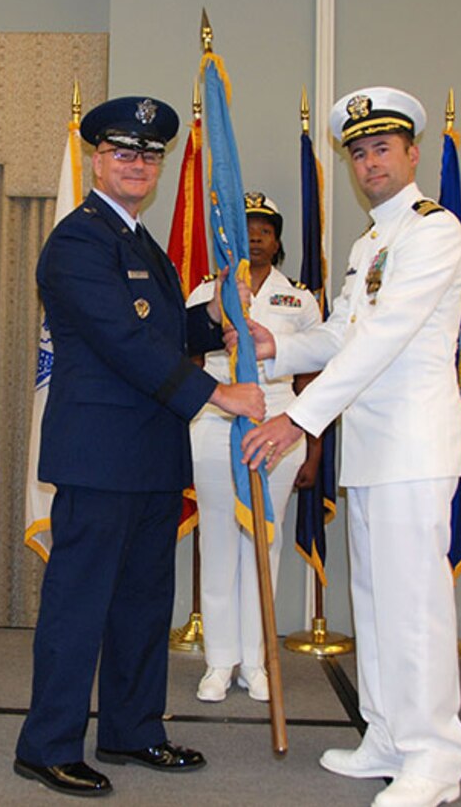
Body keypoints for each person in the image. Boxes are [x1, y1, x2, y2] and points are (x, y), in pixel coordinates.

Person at [13, 96, 265, 798]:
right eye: (124, 152)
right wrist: (219, 394)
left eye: (150, 155)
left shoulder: (137, 240)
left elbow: (157, 333)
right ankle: (48, 745)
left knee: (142, 605)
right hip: (98, 457)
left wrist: (214, 321)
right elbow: (122, 345)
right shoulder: (76, 242)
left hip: (151, 454)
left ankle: (131, 729)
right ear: (96, 158)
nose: (138, 165)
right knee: (79, 604)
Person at [237, 87, 461, 807]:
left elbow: (380, 341)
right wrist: (277, 346)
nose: (369, 161)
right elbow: (340, 333)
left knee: (414, 606)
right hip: (373, 449)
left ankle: (433, 757)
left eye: (381, 148)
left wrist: (298, 421)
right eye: (358, 152)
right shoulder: (370, 242)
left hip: (412, 447)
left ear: (410, 154)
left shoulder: (433, 233)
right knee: (373, 602)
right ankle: (387, 735)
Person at [187, 193, 322, 704]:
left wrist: (313, 448)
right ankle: (220, 662)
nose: (258, 236)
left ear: (278, 238)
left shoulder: (300, 299)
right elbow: (190, 361)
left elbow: (313, 375)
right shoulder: (206, 292)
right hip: (217, 421)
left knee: (264, 540)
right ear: (233, 239)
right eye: (248, 228)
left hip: (280, 426)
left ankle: (257, 661)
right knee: (218, 541)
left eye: (266, 227)